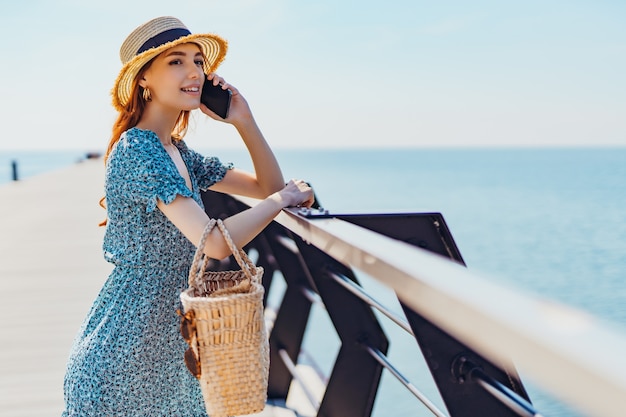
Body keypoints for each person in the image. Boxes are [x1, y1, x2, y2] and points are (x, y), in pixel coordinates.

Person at [61, 16, 314, 417]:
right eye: (175, 62)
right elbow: (214, 241)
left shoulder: (176, 151)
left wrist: (244, 121)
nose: (194, 72)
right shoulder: (138, 149)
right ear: (143, 79)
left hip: (174, 354)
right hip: (125, 358)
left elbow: (264, 186)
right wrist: (281, 200)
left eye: (197, 61)